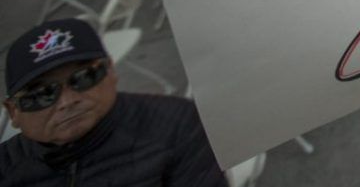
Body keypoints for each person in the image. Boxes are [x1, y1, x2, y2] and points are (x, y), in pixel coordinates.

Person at [1, 18, 226, 185]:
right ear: (13, 112)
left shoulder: (177, 125)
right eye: (41, 95)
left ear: (111, 71)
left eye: (84, 78)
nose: (67, 101)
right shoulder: (7, 166)